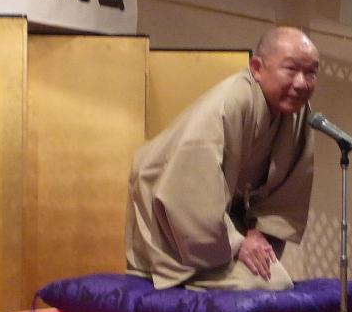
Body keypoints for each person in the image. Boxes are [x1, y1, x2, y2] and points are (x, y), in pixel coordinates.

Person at [125, 26, 319, 290]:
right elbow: (189, 186)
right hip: (168, 214)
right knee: (268, 285)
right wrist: (238, 243)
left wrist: (260, 232)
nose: (301, 83)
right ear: (257, 68)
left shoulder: (297, 113)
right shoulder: (231, 102)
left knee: (272, 278)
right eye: (291, 69)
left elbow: (288, 191)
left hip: (223, 220)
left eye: (311, 72)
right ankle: (173, 277)